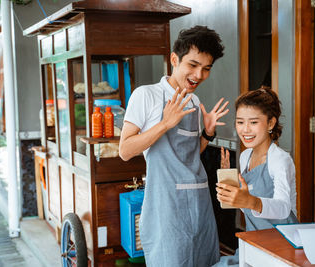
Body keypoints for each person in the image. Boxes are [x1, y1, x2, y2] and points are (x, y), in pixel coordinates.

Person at [119, 25, 229, 267]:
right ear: (174, 59)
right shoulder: (145, 95)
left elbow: (189, 154)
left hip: (199, 202)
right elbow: (125, 150)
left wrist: (207, 134)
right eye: (193, 65)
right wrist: (165, 124)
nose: (199, 75)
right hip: (166, 207)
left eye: (206, 68)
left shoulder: (195, 100)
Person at [213, 86, 298, 266]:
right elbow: (247, 209)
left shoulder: (280, 160)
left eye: (253, 122)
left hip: (282, 246)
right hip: (254, 242)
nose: (245, 130)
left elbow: (283, 208)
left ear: (270, 123)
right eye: (240, 122)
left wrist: (250, 201)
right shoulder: (245, 156)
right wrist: (229, 183)